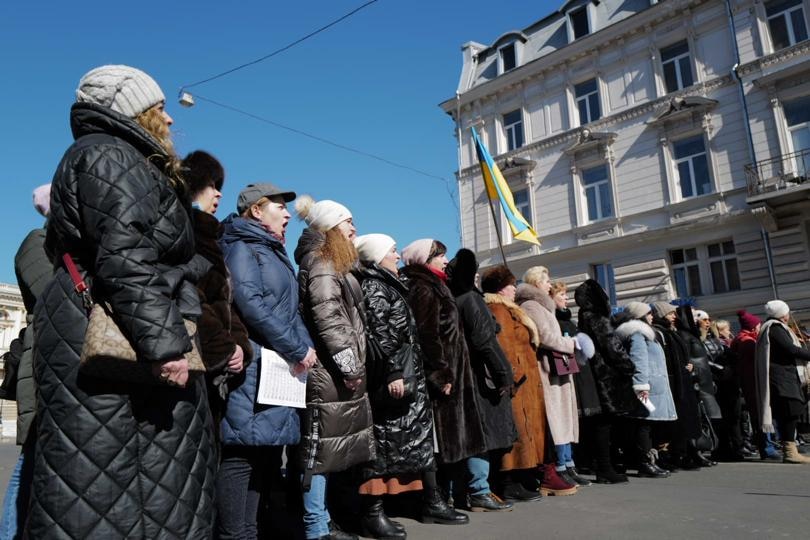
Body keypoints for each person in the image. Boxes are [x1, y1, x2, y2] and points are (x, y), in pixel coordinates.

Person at [29, 65, 216, 538]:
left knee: (120, 484)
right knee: (108, 487)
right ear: (130, 111)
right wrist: (166, 345)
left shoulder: (115, 157)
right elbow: (126, 257)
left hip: (106, 327)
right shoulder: (111, 156)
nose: (170, 121)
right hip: (116, 339)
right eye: (159, 109)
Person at [217, 182, 314, 538]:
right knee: (242, 456)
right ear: (256, 211)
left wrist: (304, 347)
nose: (288, 213)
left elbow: (288, 311)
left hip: (276, 367)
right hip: (255, 369)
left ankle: (249, 532)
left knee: (264, 457)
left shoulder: (272, 250)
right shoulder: (241, 246)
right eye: (279, 206)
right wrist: (295, 347)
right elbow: (250, 303)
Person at [294, 195, 375, 540]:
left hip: (335, 372)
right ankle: (315, 528)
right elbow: (329, 317)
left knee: (332, 452)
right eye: (348, 222)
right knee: (319, 454)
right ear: (330, 227)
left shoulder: (335, 262)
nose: (354, 228)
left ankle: (325, 522)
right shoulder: (323, 261)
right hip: (328, 374)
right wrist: (350, 366)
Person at [353, 234, 436, 538]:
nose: (397, 256)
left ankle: (380, 511)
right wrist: (392, 373)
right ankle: (371, 514)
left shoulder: (388, 284)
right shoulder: (375, 286)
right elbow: (380, 335)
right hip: (390, 378)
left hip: (403, 373)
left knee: (391, 446)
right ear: (376, 256)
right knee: (380, 446)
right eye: (391, 251)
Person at [399, 238, 482, 523]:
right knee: (434, 441)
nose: (445, 261)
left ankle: (442, 497)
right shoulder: (421, 286)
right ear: (426, 259)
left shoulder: (436, 283)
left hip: (452, 371)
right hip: (438, 376)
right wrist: (440, 373)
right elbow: (426, 334)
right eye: (440, 256)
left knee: (445, 441)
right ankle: (433, 502)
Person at [182, 151, 251, 439]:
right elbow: (191, 295)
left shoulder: (210, 236)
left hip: (211, 366)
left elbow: (224, 302)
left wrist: (239, 346)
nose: (219, 196)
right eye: (213, 186)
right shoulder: (187, 231)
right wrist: (223, 346)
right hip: (189, 362)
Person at [0, 184, 52, 539]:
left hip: (55, 363)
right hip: (42, 364)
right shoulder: (37, 243)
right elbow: (54, 297)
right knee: (30, 464)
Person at [447, 249, 516, 512]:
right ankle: (480, 491)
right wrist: (504, 374)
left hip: (462, 374)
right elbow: (484, 341)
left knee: (466, 435)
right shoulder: (471, 300)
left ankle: (461, 492)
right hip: (478, 375)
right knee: (481, 435)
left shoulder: (452, 296)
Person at [481, 265, 548, 501]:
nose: (514, 289)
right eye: (511, 285)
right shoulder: (499, 310)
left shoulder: (511, 309)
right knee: (517, 434)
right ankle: (509, 483)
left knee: (526, 433)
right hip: (517, 384)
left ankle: (523, 479)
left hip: (526, 384)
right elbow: (505, 348)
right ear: (500, 288)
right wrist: (513, 378)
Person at [515, 266, 583, 496]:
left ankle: (560, 467)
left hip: (556, 370)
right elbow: (545, 337)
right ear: (536, 283)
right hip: (546, 371)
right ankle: (553, 469)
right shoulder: (532, 305)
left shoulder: (543, 306)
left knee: (559, 420)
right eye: (546, 280)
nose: (549, 284)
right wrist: (570, 344)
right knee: (552, 421)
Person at [573, 279, 636, 483]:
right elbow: (611, 345)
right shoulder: (597, 318)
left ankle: (603, 465)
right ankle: (605, 468)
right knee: (605, 424)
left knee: (600, 424)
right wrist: (628, 365)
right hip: (607, 376)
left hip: (594, 374)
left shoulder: (583, 317)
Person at [615, 302, 678, 478]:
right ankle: (644, 463)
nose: (652, 316)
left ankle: (647, 460)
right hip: (645, 387)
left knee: (647, 424)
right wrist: (641, 385)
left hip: (652, 386)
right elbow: (639, 359)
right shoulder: (637, 333)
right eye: (648, 313)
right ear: (640, 316)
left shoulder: (646, 332)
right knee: (644, 423)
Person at [551, 281, 598, 486]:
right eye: (562, 294)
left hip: (574, 373)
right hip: (560, 375)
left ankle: (570, 464)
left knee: (569, 423)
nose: (566, 298)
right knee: (561, 422)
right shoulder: (553, 320)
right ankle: (561, 465)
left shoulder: (568, 320)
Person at [755, 300, 810, 464]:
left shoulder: (776, 327)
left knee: (792, 411)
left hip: (785, 377)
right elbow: (791, 349)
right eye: (786, 312)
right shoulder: (775, 328)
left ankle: (790, 449)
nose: (788, 316)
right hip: (781, 378)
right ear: (782, 314)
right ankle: (789, 451)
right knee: (789, 411)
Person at [649, 301, 701, 471]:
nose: (674, 316)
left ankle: (683, 453)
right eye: (670, 313)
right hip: (672, 382)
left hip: (681, 380)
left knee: (684, 419)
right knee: (675, 421)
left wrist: (689, 365)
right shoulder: (659, 332)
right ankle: (674, 454)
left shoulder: (671, 332)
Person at [675, 305, 721, 467]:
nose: (698, 320)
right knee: (697, 419)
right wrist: (692, 370)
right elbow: (684, 359)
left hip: (704, 382)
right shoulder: (683, 335)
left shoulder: (691, 335)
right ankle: (693, 452)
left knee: (705, 419)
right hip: (695, 383)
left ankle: (698, 452)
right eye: (694, 316)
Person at [733, 310, 778, 460]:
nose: (760, 327)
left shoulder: (742, 339)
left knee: (758, 416)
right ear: (753, 327)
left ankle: (767, 446)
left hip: (749, 384)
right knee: (761, 415)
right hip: (753, 384)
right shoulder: (749, 342)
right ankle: (767, 448)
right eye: (758, 325)